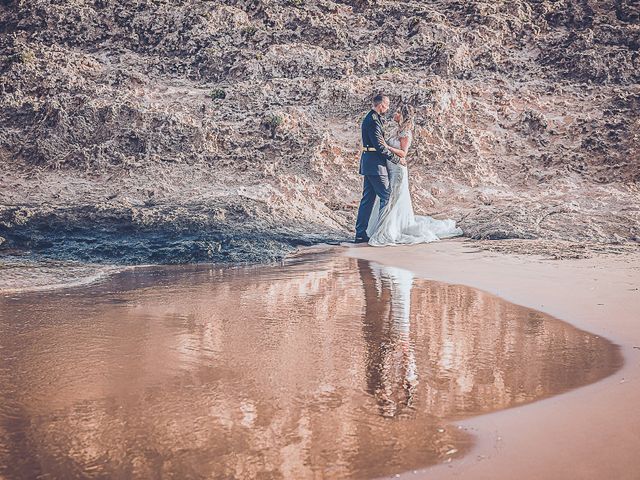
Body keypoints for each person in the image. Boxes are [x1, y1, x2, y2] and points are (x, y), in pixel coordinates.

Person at [366, 104, 463, 245]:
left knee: (393, 197)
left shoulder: (406, 133)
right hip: (390, 167)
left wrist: (386, 147)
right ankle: (384, 227)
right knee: (389, 197)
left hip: (398, 169)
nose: (394, 114)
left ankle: (391, 230)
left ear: (403, 116)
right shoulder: (395, 130)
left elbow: (403, 153)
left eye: (398, 112)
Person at [354, 94, 405, 243]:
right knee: (386, 196)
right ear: (381, 105)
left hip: (370, 164)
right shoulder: (373, 122)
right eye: (387, 105)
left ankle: (361, 233)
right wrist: (397, 160)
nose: (388, 108)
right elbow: (380, 147)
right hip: (376, 165)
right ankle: (382, 232)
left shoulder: (372, 118)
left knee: (368, 200)